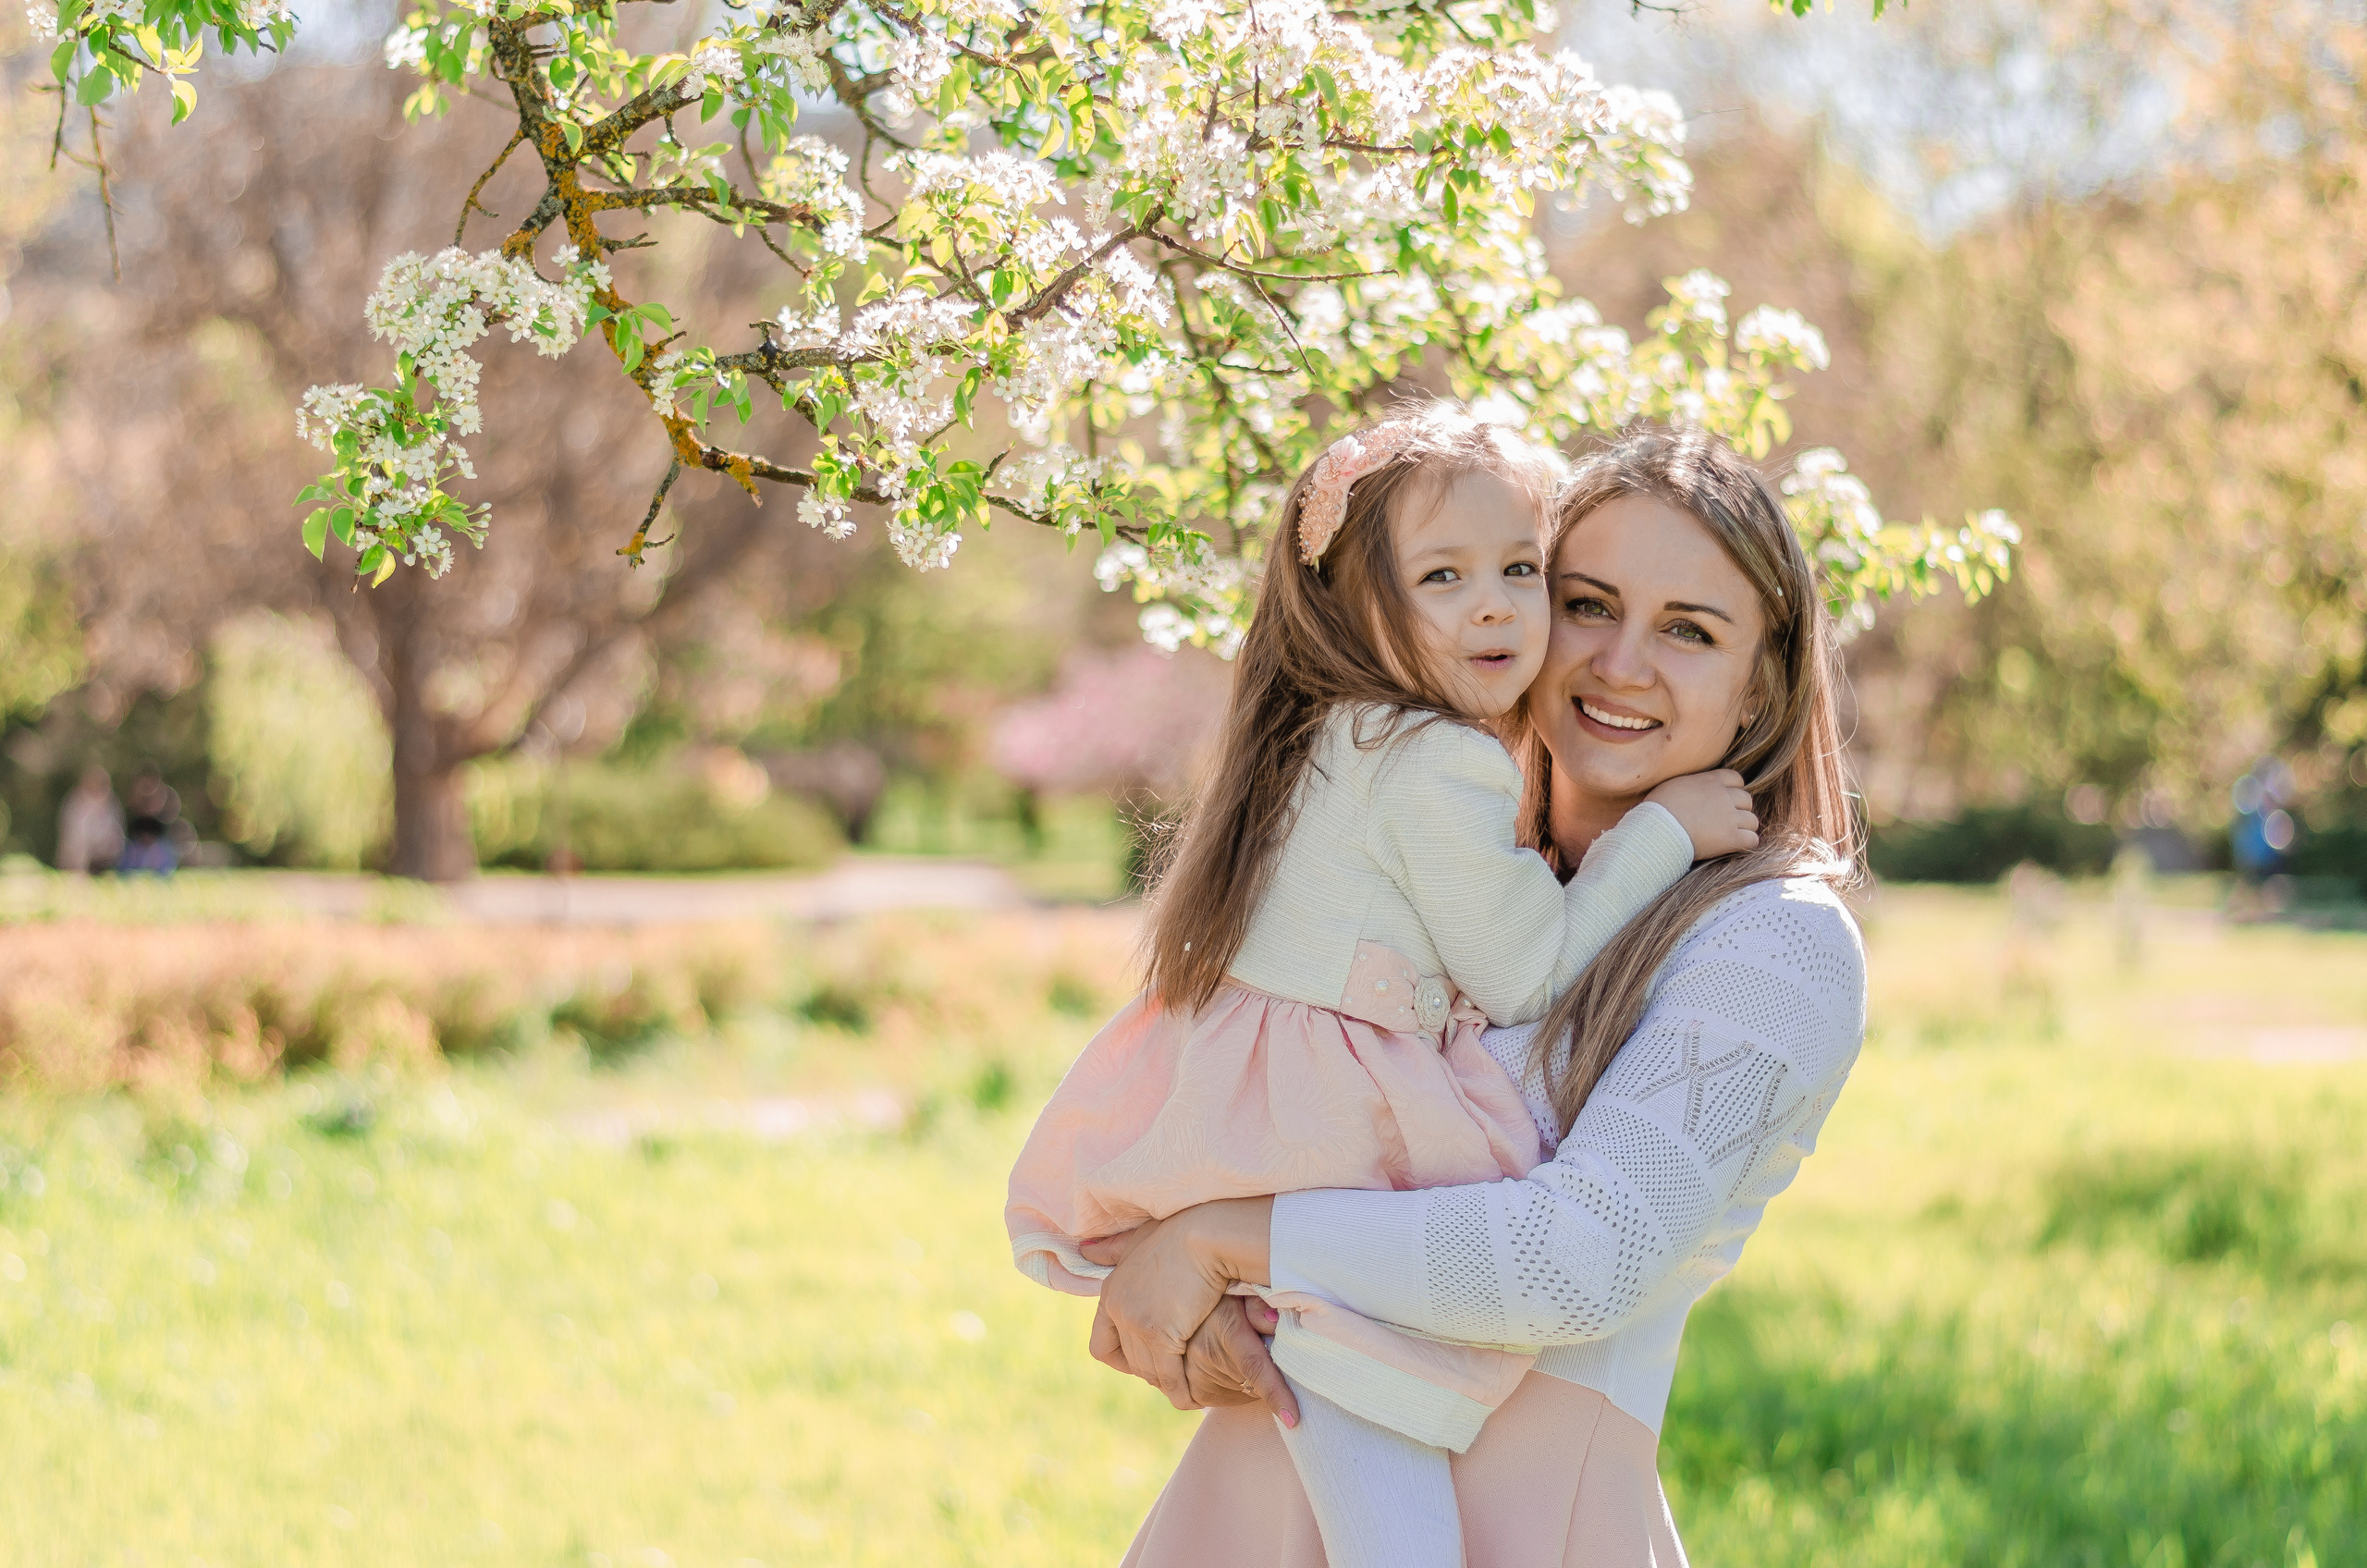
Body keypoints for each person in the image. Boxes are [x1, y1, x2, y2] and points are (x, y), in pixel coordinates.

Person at [1088, 426, 1870, 1568]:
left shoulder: (1773, 939)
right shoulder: (1436, 875)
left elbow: (1574, 1260)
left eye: (1689, 631)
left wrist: (1220, 1244)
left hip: (1508, 1526)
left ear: (1761, 685)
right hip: (1251, 1506)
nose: (1619, 663)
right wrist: (1197, 1290)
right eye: (1586, 603)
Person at [54, 766, 125, 876]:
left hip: (103, 860)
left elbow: (117, 834)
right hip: (75, 862)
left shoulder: (112, 804)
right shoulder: (76, 804)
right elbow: (75, 837)